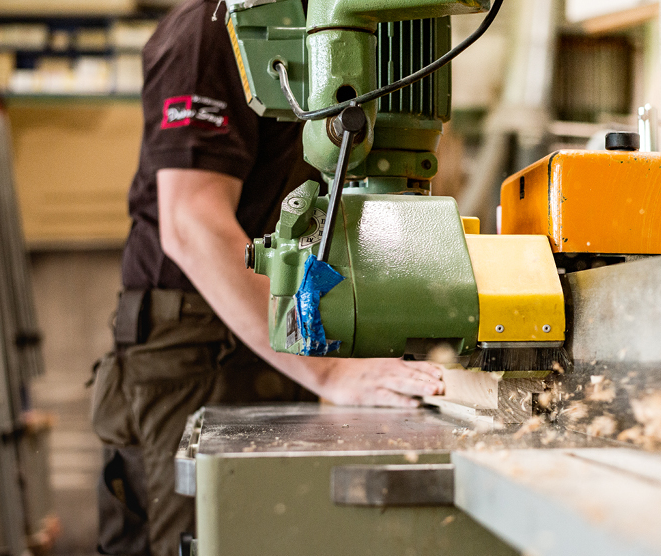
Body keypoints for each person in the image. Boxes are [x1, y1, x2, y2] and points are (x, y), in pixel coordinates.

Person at [89, 1, 445, 554]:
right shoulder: (212, 31)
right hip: (198, 354)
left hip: (265, 337)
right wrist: (326, 371)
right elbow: (191, 225)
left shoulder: (327, 24)